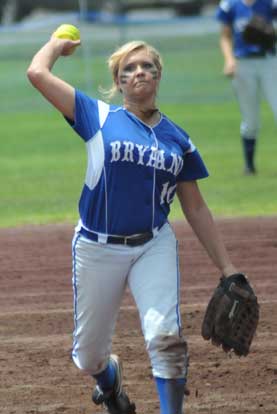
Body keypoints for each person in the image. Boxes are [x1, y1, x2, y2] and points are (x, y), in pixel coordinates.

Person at [27, 33, 238, 414]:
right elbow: (37, 73)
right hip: (96, 246)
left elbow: (196, 208)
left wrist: (228, 268)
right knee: (90, 356)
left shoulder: (179, 140)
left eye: (148, 66)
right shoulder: (97, 116)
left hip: (152, 244)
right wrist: (58, 44)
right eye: (130, 68)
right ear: (119, 81)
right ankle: (110, 383)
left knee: (165, 337)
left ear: (158, 76)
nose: (139, 71)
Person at [216, 0, 277, 175]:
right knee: (250, 119)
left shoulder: (270, 3)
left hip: (269, 62)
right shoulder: (229, 5)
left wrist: (271, 33)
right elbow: (225, 36)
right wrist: (229, 60)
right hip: (243, 64)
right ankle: (249, 166)